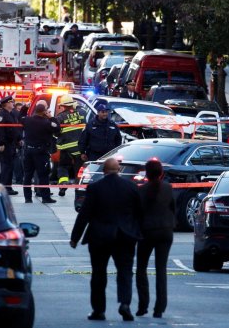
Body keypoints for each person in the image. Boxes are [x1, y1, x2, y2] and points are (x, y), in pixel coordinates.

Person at [70, 158, 142, 322]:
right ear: (119, 170)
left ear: (103, 171)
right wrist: (137, 233)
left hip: (99, 236)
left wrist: (75, 237)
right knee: (125, 272)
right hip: (125, 236)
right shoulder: (130, 187)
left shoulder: (95, 188)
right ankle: (125, 304)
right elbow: (139, 213)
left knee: (98, 274)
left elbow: (84, 214)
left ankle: (98, 310)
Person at [135, 159, 175, 318]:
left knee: (141, 269)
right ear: (161, 173)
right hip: (165, 231)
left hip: (147, 232)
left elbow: (137, 212)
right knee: (161, 269)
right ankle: (160, 307)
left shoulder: (141, 190)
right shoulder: (168, 188)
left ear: (146, 173)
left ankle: (143, 305)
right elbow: (173, 208)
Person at [22, 102, 60, 203]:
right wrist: (51, 117)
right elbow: (57, 129)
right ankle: (45, 197)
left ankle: (27, 198)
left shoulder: (27, 120)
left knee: (28, 175)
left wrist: (24, 108)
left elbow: (20, 117)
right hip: (41, 152)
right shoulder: (46, 123)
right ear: (44, 112)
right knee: (43, 175)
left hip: (28, 151)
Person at [55, 95, 86, 196]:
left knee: (63, 166)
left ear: (63, 105)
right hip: (79, 147)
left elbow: (56, 132)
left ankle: (63, 185)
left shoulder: (60, 117)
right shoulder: (82, 113)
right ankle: (78, 190)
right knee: (78, 169)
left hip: (65, 148)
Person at [0, 96, 20, 194]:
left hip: (12, 143)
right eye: (11, 102)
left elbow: (14, 129)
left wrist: (19, 139)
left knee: (10, 166)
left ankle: (8, 188)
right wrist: (1, 143)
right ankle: (3, 188)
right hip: (5, 144)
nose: (13, 103)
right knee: (6, 166)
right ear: (6, 104)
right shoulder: (1, 115)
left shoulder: (11, 114)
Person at [13, 102, 26, 184]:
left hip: (21, 140)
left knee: (21, 161)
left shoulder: (22, 118)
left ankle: (20, 178)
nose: (19, 111)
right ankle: (19, 179)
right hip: (17, 141)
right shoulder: (16, 118)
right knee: (17, 161)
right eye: (18, 109)